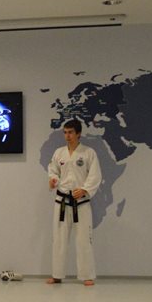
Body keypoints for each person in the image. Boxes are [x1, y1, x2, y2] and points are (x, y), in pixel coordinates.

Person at [47, 119, 102, 286]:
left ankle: (87, 275)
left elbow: (95, 175)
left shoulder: (88, 153)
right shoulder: (59, 153)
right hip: (62, 201)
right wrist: (53, 180)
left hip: (81, 202)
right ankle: (57, 275)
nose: (67, 136)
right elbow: (53, 170)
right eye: (65, 132)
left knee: (84, 239)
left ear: (78, 133)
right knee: (59, 239)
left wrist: (85, 189)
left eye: (70, 132)